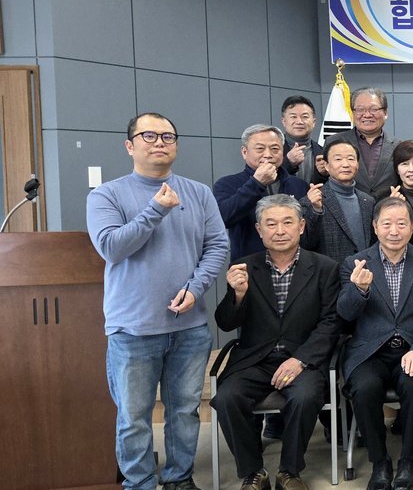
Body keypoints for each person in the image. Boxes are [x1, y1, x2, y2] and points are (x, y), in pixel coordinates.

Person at [86, 112, 229, 490]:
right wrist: (156, 209)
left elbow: (217, 245)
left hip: (190, 328)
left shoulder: (199, 192)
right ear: (129, 145)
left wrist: (195, 288)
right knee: (134, 417)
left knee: (184, 411)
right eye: (149, 136)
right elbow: (111, 247)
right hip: (133, 329)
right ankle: (139, 483)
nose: (160, 142)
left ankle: (179, 478)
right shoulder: (106, 195)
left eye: (168, 136)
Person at [211, 195, 342, 490]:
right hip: (254, 360)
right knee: (226, 397)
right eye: (271, 224)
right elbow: (225, 322)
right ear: (259, 230)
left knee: (305, 397)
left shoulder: (325, 268)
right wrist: (238, 295)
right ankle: (254, 472)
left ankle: (289, 471)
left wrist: (301, 360)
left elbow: (331, 322)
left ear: (301, 226)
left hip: (302, 359)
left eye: (287, 222)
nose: (279, 231)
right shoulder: (244, 266)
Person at [338, 197, 413, 490]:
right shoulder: (355, 263)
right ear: (375, 227)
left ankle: (408, 461)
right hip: (369, 352)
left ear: (412, 227)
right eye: (386, 224)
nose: (394, 231)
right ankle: (380, 463)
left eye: (401, 223)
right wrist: (359, 290)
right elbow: (344, 314)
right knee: (364, 388)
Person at [214, 124, 310, 261]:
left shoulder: (298, 185)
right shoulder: (227, 183)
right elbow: (222, 219)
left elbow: (307, 230)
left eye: (275, 149)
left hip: (295, 264)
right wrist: (256, 183)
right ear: (244, 152)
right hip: (249, 266)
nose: (268, 154)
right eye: (260, 149)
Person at [301, 137, 375, 265]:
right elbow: (305, 243)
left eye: (351, 159)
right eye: (338, 159)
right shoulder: (312, 200)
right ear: (326, 165)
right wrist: (316, 210)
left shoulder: (368, 201)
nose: (345, 164)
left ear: (358, 164)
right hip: (330, 273)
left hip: (365, 271)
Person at [327, 87, 401, 200]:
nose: (367, 115)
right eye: (360, 110)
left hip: (387, 207)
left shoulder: (398, 146)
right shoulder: (334, 142)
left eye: (374, 109)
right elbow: (324, 181)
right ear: (352, 113)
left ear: (385, 113)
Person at [278, 95, 326, 184]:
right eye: (293, 117)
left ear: (314, 122)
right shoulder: (273, 149)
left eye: (305, 116)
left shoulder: (323, 152)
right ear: (284, 121)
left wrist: (324, 174)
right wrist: (288, 162)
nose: (299, 121)